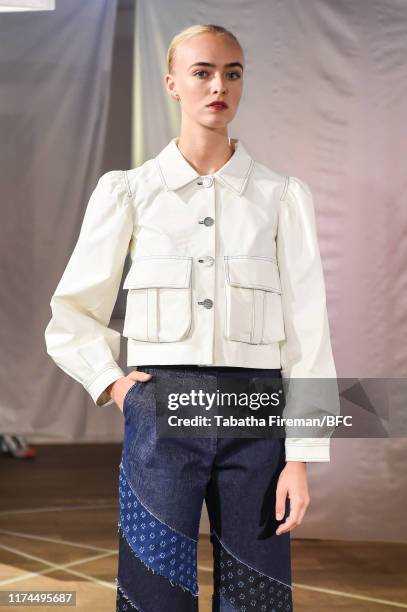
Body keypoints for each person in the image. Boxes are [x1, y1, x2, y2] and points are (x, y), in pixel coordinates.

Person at [44, 23, 339, 612]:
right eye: (202, 73)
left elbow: (310, 334)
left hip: (258, 424)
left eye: (232, 73)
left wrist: (301, 456)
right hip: (161, 418)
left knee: (257, 598)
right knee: (154, 593)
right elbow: (71, 312)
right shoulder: (129, 193)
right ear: (173, 84)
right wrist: (114, 384)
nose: (218, 86)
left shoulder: (281, 198)